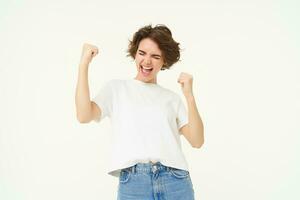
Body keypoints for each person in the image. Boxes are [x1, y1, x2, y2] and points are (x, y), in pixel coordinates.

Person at [75, 24, 204, 200]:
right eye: (142, 53)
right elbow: (83, 115)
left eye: (155, 56)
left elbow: (197, 141)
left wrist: (189, 95)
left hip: (176, 181)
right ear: (135, 53)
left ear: (164, 61)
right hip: (135, 183)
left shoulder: (172, 99)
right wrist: (84, 64)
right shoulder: (116, 89)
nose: (147, 61)